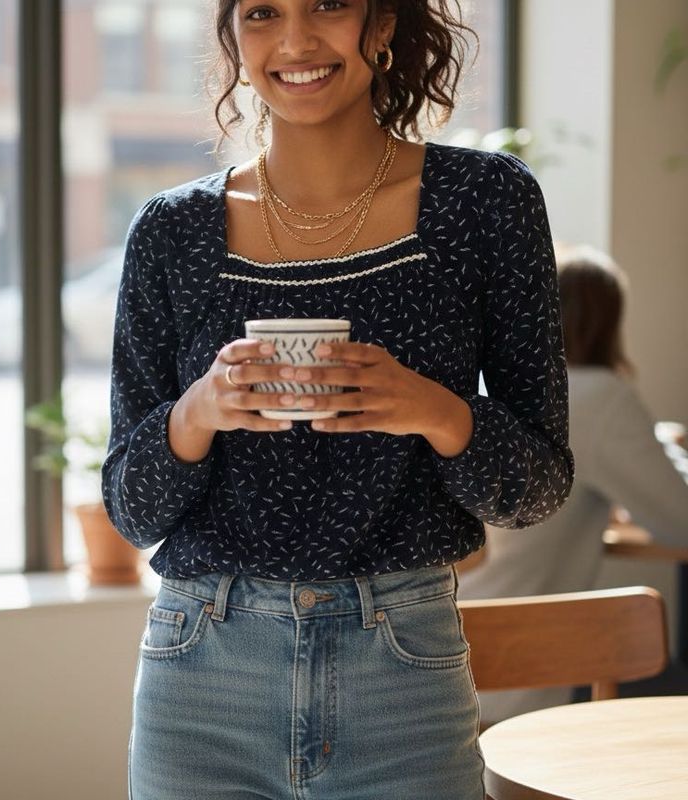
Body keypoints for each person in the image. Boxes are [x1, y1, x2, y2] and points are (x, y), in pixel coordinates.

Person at [101, 1, 574, 797]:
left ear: (381, 26)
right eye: (262, 13)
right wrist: (198, 413)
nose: (294, 41)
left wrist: (433, 409)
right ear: (234, 38)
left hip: (404, 673)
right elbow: (129, 508)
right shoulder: (170, 231)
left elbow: (540, 487)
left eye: (327, 5)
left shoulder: (486, 203)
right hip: (201, 676)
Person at [457, 244, 688, 725]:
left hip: (450, 663)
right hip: (516, 693)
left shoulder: (486, 387)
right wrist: (668, 448)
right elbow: (680, 518)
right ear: (608, 323)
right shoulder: (598, 397)